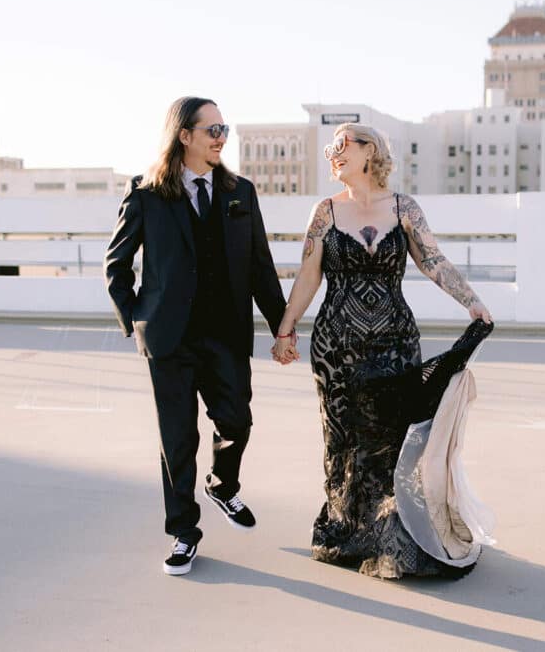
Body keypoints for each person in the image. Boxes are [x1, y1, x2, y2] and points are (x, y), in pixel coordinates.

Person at [271, 123, 492, 579]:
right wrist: (285, 330)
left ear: (369, 150)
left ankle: (397, 539)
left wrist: (472, 303)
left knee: (393, 443)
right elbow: (308, 275)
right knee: (344, 443)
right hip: (337, 349)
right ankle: (351, 533)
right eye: (329, 148)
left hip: (394, 345)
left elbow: (432, 260)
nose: (332, 153)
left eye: (341, 144)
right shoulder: (325, 212)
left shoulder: (403, 208)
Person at [105, 96, 287, 576]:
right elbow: (116, 265)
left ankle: (222, 486)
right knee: (177, 440)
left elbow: (260, 268)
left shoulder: (239, 192)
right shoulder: (145, 194)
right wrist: (137, 321)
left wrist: (282, 326)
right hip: (169, 340)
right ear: (183, 136)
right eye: (212, 129)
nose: (221, 137)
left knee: (237, 423)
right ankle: (184, 532)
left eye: (224, 128)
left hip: (225, 335)